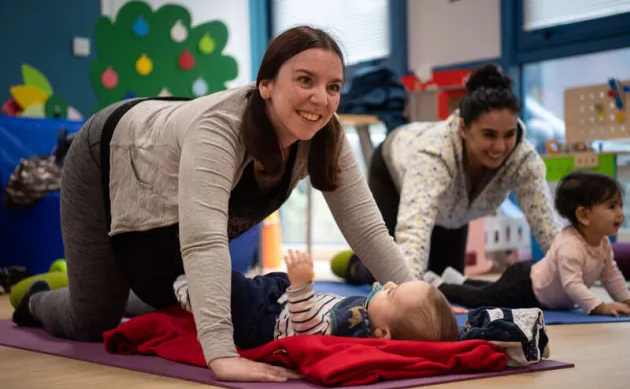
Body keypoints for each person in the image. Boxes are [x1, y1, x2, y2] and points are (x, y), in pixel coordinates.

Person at [10, 26, 416, 383]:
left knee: (166, 295)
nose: (320, 99)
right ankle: (40, 295)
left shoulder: (326, 135)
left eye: (333, 87)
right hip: (106, 152)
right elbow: (204, 242)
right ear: (266, 85)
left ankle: (105, 284)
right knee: (92, 320)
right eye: (305, 80)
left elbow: (367, 230)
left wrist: (423, 307)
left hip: (164, 157)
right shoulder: (221, 129)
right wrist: (222, 355)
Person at [346, 64, 562, 282]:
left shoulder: (524, 159)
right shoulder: (434, 154)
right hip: (391, 166)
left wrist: (571, 273)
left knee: (447, 279)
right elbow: (414, 227)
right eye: (489, 135)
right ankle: (355, 265)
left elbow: (545, 223)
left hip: (453, 210)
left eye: (509, 134)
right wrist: (408, 294)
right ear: (463, 129)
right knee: (386, 270)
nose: (500, 147)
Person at [423, 172, 630, 317]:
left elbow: (611, 275)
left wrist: (626, 299)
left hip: (532, 279)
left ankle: (457, 278)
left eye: (620, 205)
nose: (620, 213)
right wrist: (597, 306)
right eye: (612, 206)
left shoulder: (601, 243)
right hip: (525, 288)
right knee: (483, 298)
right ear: (584, 215)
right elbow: (572, 284)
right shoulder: (571, 246)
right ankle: (439, 285)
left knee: (491, 288)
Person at [174, 249, 459, 347]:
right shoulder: (373, 317)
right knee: (272, 279)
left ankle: (185, 289)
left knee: (232, 289)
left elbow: (307, 328)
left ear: (383, 333)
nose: (389, 283)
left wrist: (301, 287)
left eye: (392, 292)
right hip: (281, 302)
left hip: (264, 323)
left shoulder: (352, 330)